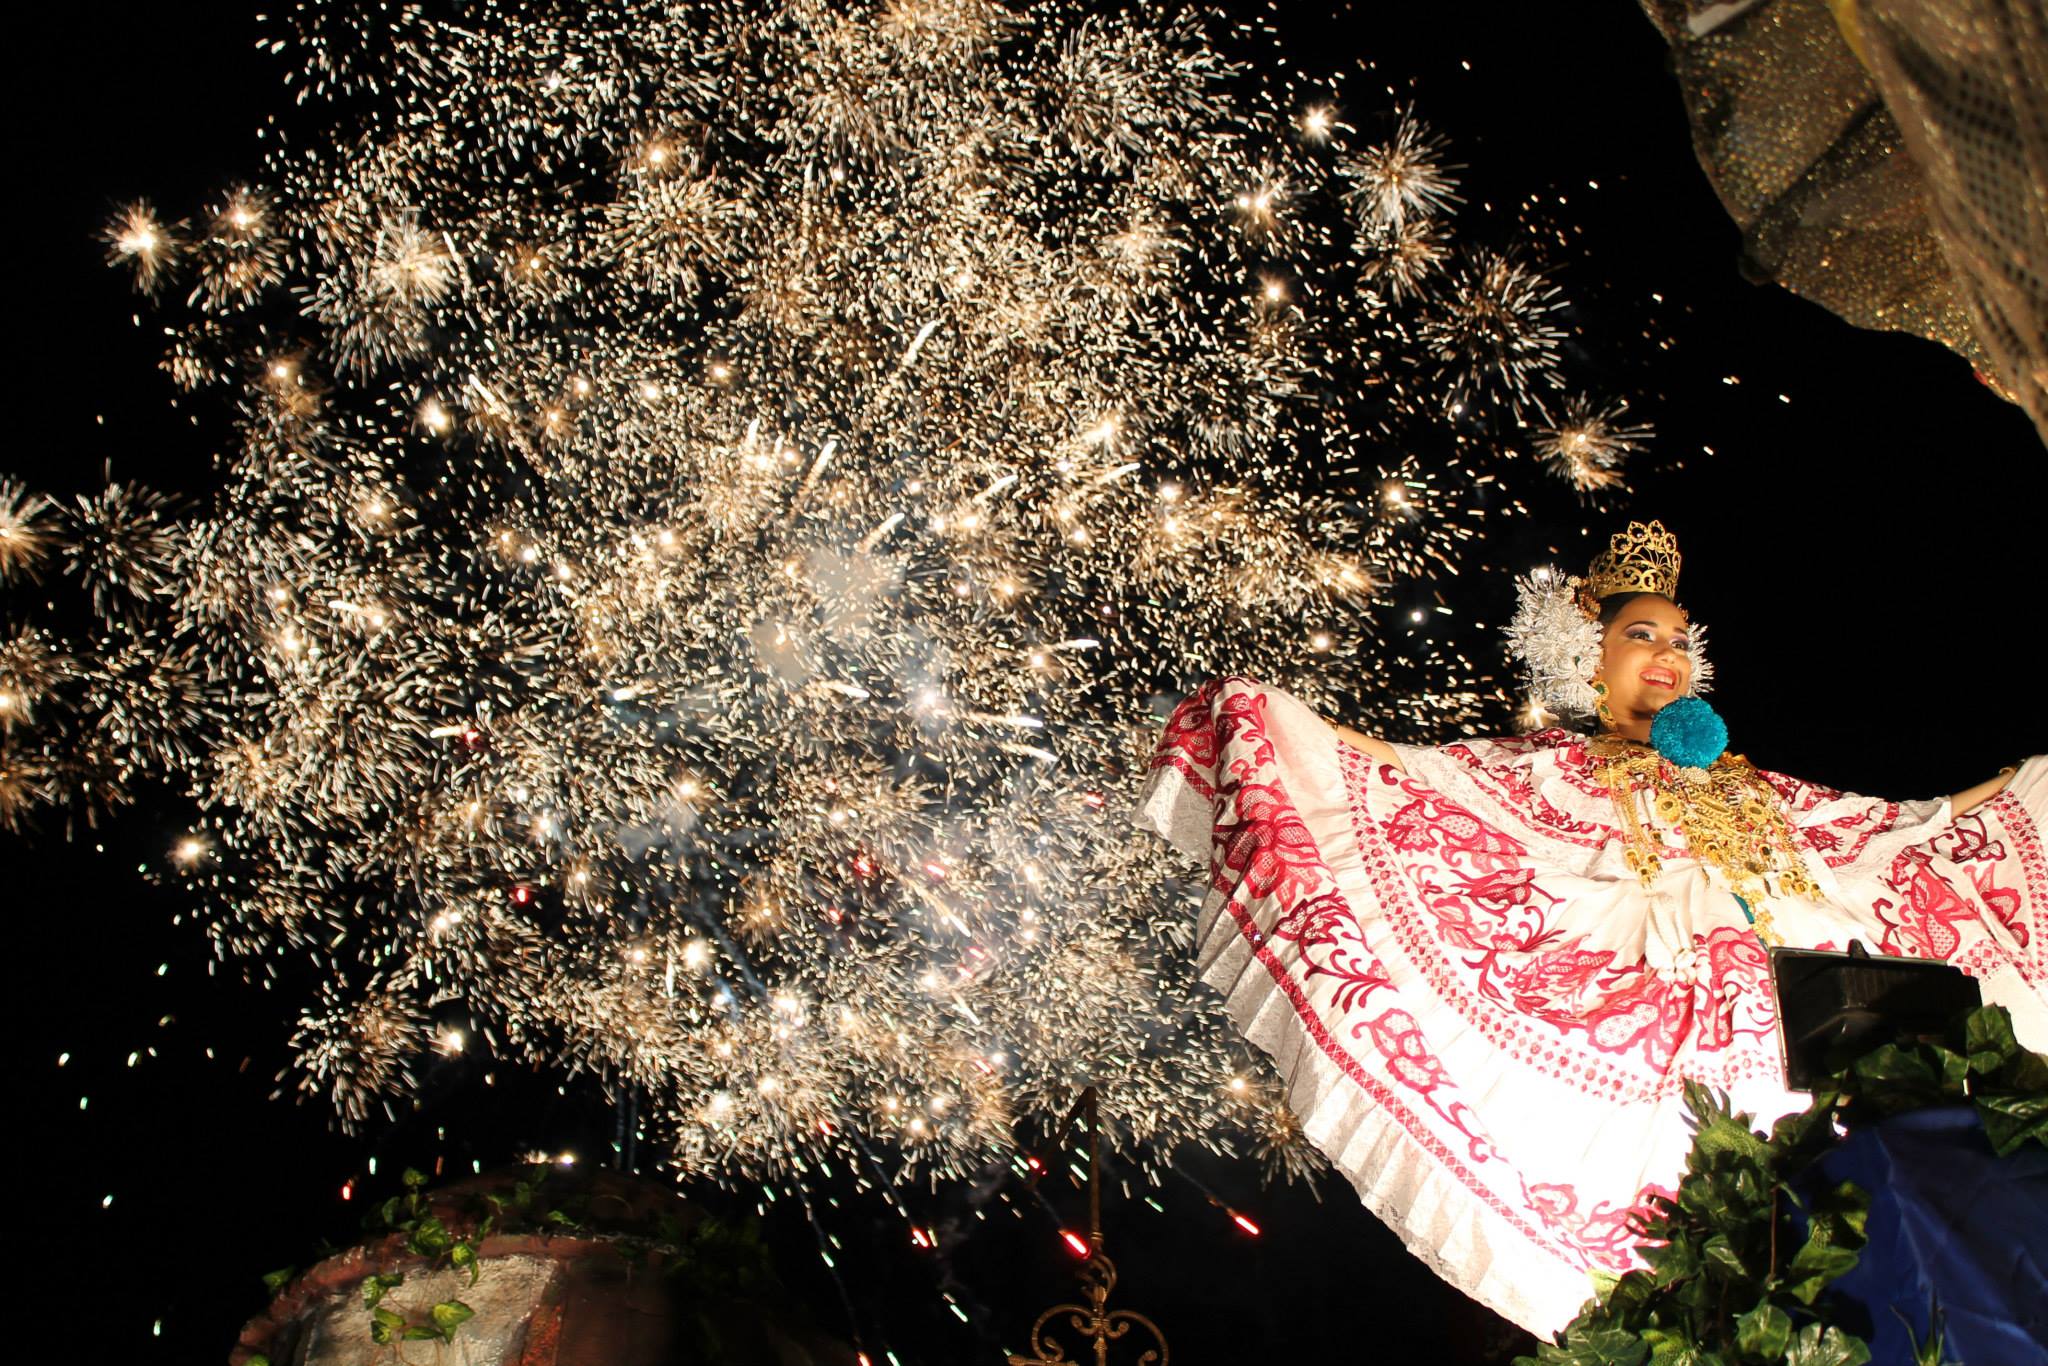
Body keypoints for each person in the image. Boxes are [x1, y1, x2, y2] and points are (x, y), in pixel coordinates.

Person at [1135, 520, 2047, 1336]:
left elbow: (1895, 825)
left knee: (1853, 1195)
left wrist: (2019, 786)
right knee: (1716, 1223)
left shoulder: (1744, 780)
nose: (1667, 656)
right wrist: (1278, 721)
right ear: (1588, 656)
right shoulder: (1549, 767)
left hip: (1798, 1002)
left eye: (1681, 642)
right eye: (1640, 635)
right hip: (1658, 1006)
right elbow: (1415, 779)